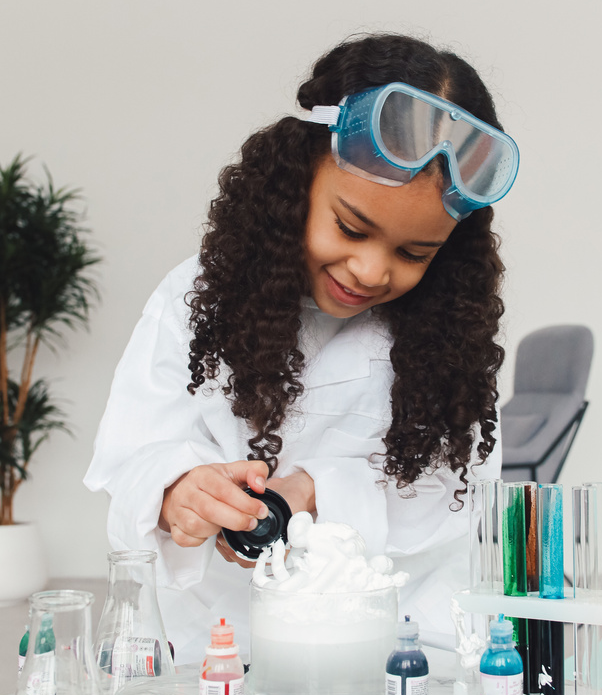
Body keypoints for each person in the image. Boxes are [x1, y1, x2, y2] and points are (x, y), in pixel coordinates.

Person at [85, 33, 518, 662]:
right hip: (217, 644)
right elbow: (132, 453)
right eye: (351, 226)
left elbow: (462, 501)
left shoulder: (447, 340)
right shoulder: (196, 297)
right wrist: (179, 490)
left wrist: (315, 492)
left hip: (391, 650)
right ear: (296, 180)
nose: (370, 271)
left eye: (413, 253)